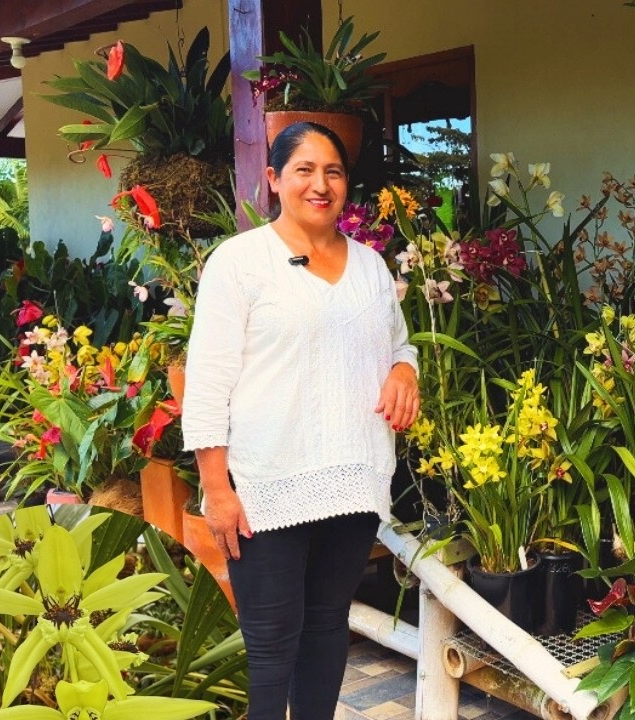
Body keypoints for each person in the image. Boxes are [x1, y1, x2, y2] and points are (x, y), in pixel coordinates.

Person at [182, 121, 419, 720]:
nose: (321, 184)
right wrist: (216, 490)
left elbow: (400, 344)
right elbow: (207, 382)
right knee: (269, 645)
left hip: (354, 480)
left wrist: (404, 373)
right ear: (274, 181)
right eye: (304, 171)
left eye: (333, 172)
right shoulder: (239, 263)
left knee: (325, 630)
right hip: (267, 486)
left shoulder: (370, 267)